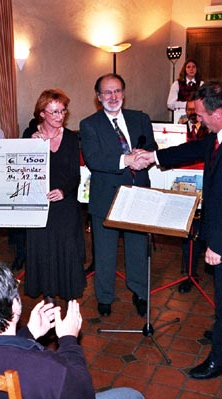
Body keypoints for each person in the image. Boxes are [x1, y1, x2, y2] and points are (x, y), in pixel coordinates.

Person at [138, 81, 222, 379]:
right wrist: (154, 157)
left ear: (217, 113)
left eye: (199, 115)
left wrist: (218, 246)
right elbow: (197, 148)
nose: (197, 119)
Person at [0, 260, 148, 399]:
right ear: (15, 306)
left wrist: (29, 333)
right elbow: (85, 398)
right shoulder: (44, 370)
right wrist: (68, 340)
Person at [80, 73, 157, 318]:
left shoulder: (140, 118)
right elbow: (94, 159)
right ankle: (104, 297)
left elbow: (152, 146)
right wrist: (127, 160)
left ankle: (140, 293)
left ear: (123, 93)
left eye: (117, 91)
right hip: (106, 197)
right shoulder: (89, 124)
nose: (113, 97)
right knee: (104, 252)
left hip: (137, 194)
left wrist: (143, 157)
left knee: (137, 249)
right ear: (98, 97)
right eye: (107, 92)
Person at [22, 89, 85, 302]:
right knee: (43, 248)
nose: (60, 116)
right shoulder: (29, 136)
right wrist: (31, 146)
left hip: (64, 202)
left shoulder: (71, 138)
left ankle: (69, 294)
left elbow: (75, 175)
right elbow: (21, 171)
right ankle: (48, 295)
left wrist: (63, 191)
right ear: (42, 113)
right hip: (39, 202)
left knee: (66, 247)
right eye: (54, 112)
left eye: (63, 111)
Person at [176, 99, 209, 294]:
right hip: (187, 184)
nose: (192, 113)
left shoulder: (210, 129)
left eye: (195, 110)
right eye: (189, 110)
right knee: (190, 231)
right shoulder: (179, 128)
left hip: (207, 184)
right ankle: (189, 273)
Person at [167, 59, 203, 123]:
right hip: (180, 114)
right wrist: (187, 105)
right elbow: (170, 104)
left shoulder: (201, 84)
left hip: (197, 115)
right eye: (188, 67)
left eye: (193, 67)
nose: (191, 69)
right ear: (184, 69)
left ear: (197, 69)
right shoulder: (177, 84)